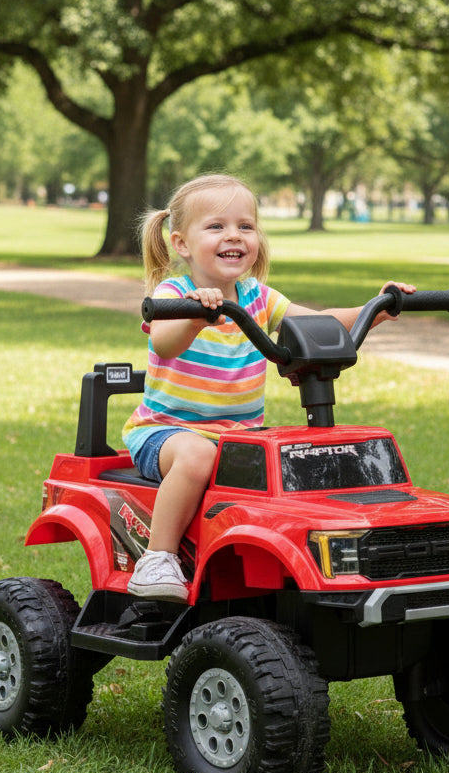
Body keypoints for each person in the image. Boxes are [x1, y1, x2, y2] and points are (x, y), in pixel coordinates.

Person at [123, 173, 415, 601]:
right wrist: (195, 316)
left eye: (246, 226)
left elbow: (319, 320)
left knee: (300, 458)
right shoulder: (175, 293)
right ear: (182, 243)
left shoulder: (256, 296)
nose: (234, 236)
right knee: (196, 456)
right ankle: (158, 558)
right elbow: (163, 342)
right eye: (217, 226)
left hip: (238, 437)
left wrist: (376, 309)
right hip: (166, 432)